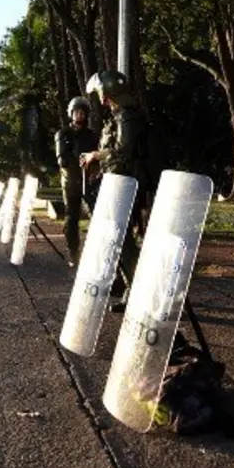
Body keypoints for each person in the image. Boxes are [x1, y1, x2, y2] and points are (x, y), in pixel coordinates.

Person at [80, 70, 151, 305]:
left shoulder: (128, 118)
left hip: (130, 187)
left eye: (102, 94)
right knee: (119, 241)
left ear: (111, 92)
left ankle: (139, 295)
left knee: (124, 243)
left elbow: (123, 152)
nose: (101, 100)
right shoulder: (118, 117)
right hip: (119, 185)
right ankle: (130, 289)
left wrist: (95, 155)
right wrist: (98, 169)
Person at [56, 96, 99, 264]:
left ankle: (95, 252)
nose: (79, 115)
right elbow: (62, 159)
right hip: (71, 180)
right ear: (71, 114)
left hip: (90, 180)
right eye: (76, 112)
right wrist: (79, 161)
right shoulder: (63, 134)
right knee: (71, 218)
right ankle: (73, 253)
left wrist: (94, 167)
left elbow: (97, 154)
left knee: (96, 215)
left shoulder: (91, 135)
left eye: (82, 112)